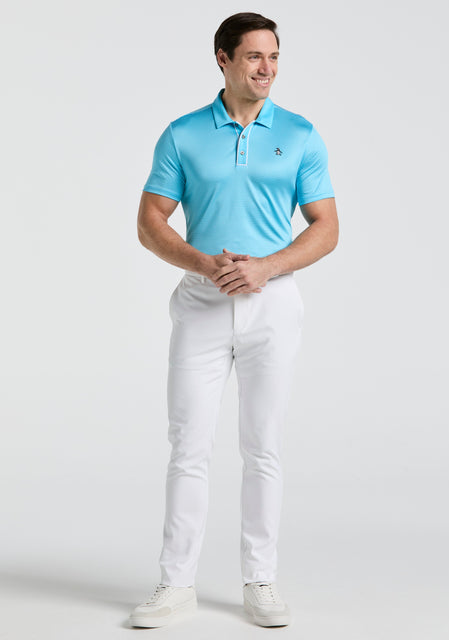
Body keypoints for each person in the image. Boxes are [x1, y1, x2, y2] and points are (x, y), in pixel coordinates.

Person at [129, 11, 339, 629]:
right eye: (253, 56)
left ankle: (260, 580)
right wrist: (203, 263)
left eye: (273, 57)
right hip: (202, 303)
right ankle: (175, 584)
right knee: (188, 445)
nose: (266, 68)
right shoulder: (183, 134)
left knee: (262, 446)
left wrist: (266, 267)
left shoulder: (299, 134)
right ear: (223, 59)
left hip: (273, 304)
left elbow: (327, 227)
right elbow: (150, 220)